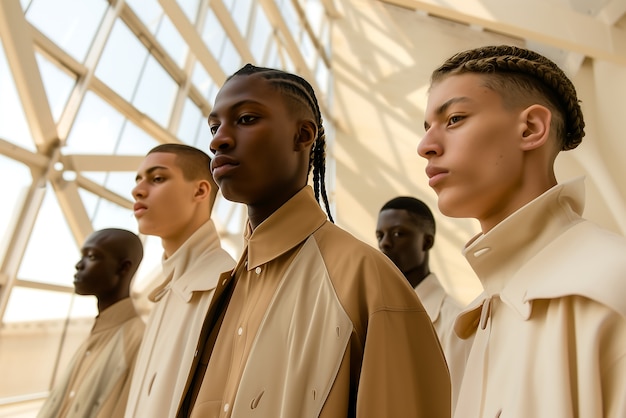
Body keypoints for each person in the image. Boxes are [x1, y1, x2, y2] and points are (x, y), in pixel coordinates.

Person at [179, 64, 451, 418]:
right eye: (214, 127)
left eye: (246, 119)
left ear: (303, 135)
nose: (218, 140)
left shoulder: (365, 279)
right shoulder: (227, 288)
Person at [418, 44, 626, 417]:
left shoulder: (612, 285)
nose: (425, 146)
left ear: (531, 128)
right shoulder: (481, 314)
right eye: (427, 127)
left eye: (454, 119)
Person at [124, 144, 236, 417]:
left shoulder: (228, 285)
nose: (137, 190)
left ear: (200, 191)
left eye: (157, 178)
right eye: (138, 179)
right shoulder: (163, 296)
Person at [38, 228, 145, 418]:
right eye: (82, 256)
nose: (79, 265)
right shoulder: (99, 331)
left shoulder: (138, 339)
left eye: (92, 256)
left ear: (123, 268)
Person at [376, 196, 468, 408]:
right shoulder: (372, 317)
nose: (385, 243)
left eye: (398, 233)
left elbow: (461, 405)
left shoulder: (456, 325)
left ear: (427, 241)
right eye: (380, 235)